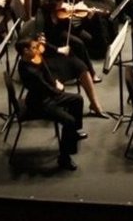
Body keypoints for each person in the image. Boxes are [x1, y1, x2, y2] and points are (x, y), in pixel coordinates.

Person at [17, 35, 85, 171]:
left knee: (78, 99)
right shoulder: (29, 71)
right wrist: (58, 89)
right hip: (39, 104)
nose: (37, 49)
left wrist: (55, 81)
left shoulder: (33, 58)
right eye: (34, 48)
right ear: (25, 51)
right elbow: (45, 87)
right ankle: (64, 158)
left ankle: (73, 133)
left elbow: (46, 72)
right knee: (69, 121)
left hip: (46, 96)